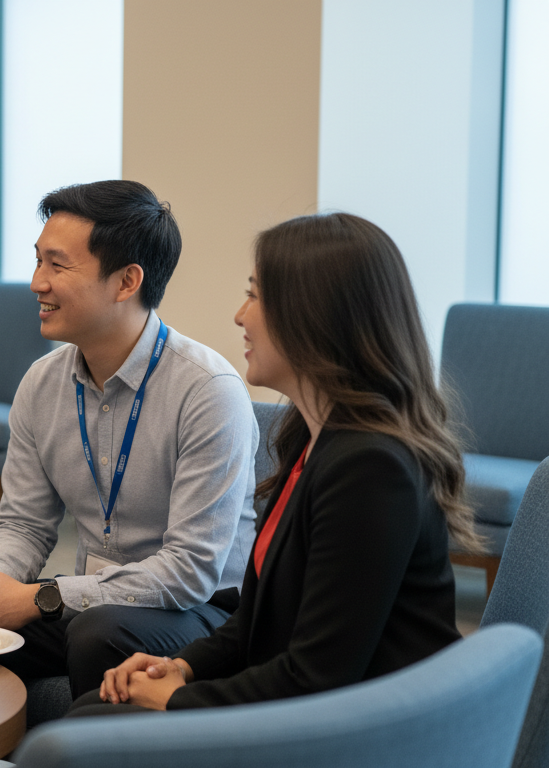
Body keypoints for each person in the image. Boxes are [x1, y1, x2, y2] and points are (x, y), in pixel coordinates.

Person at [73, 212, 473, 716]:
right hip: (305, 705)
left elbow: (317, 677)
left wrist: (179, 699)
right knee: (90, 714)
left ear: (314, 315)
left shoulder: (371, 469)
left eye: (256, 295)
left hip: (363, 729)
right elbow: (257, 619)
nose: (240, 315)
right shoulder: (313, 438)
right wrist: (181, 667)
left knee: (87, 725)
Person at [0, 180, 258, 700]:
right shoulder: (43, 382)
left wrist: (40, 598)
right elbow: (24, 524)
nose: (37, 282)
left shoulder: (208, 392)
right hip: (91, 604)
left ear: (126, 282)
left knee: (99, 634)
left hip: (197, 611)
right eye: (37, 262)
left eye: (57, 265)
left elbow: (190, 570)